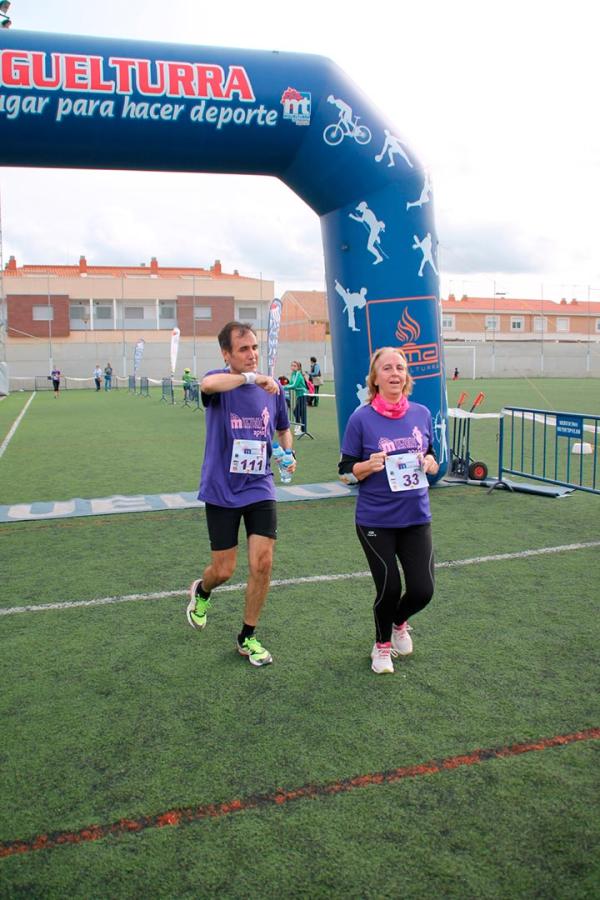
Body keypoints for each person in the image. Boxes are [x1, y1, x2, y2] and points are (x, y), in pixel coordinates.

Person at [186, 321, 296, 667]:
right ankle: (202, 591)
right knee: (224, 570)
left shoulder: (272, 389)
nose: (251, 355)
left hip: (259, 486)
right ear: (226, 354)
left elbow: (282, 428)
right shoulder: (221, 383)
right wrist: (252, 379)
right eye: (243, 349)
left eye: (254, 348)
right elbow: (206, 384)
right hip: (221, 490)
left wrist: (288, 454)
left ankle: (247, 636)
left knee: (263, 562)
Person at [338, 347, 439, 675]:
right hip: (375, 520)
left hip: (415, 518)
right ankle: (381, 646)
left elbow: (432, 456)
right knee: (390, 587)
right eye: (387, 369)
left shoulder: (422, 414)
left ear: (407, 376)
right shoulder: (361, 418)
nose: (395, 373)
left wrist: (430, 462)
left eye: (400, 368)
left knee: (423, 590)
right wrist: (366, 465)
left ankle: (398, 623)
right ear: (375, 378)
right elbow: (345, 470)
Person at [287, 360, 308, 435]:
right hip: (298, 395)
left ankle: (300, 427)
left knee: (297, 411)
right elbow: (291, 383)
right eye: (292, 365)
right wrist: (286, 386)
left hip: (303, 395)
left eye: (295, 366)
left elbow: (294, 385)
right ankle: (303, 430)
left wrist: (283, 387)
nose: (293, 367)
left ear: (298, 367)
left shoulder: (298, 374)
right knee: (300, 413)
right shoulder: (293, 374)